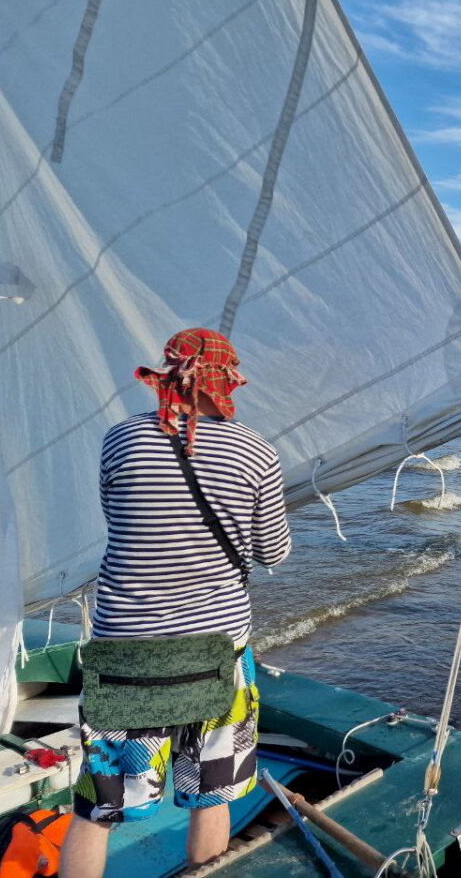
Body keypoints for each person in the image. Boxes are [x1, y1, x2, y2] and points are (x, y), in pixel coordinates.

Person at [60, 328, 291, 878]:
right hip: (218, 653)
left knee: (96, 808)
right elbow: (273, 552)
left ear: (166, 374)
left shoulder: (120, 439)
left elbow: (117, 518)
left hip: (125, 654)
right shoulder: (257, 451)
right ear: (227, 381)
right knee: (213, 795)